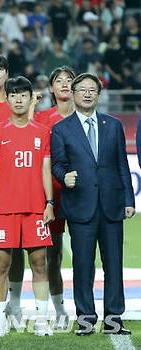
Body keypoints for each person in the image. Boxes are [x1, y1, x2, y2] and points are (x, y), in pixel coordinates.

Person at [51, 73, 135, 336]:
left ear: (99, 95)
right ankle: (85, 317)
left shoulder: (114, 125)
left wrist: (129, 200)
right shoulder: (62, 128)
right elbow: (57, 163)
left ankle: (114, 317)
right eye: (82, 89)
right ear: (73, 94)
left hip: (111, 206)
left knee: (114, 264)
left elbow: (122, 164)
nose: (87, 94)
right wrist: (63, 176)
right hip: (80, 207)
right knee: (83, 265)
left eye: (92, 90)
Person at [0, 76, 55, 338]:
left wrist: (49, 203)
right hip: (4, 209)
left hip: (34, 208)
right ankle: (0, 319)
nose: (18, 99)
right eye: (14, 95)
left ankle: (42, 320)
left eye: (23, 95)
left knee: (40, 263)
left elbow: (45, 169)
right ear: (7, 99)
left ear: (30, 98)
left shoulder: (42, 132)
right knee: (1, 264)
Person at [7, 66, 75, 329]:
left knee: (74, 254)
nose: (65, 84)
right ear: (51, 88)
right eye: (59, 80)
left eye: (70, 80)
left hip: (77, 194)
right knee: (50, 254)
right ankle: (57, 309)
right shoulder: (44, 118)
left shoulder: (85, 117)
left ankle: (73, 306)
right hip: (50, 194)